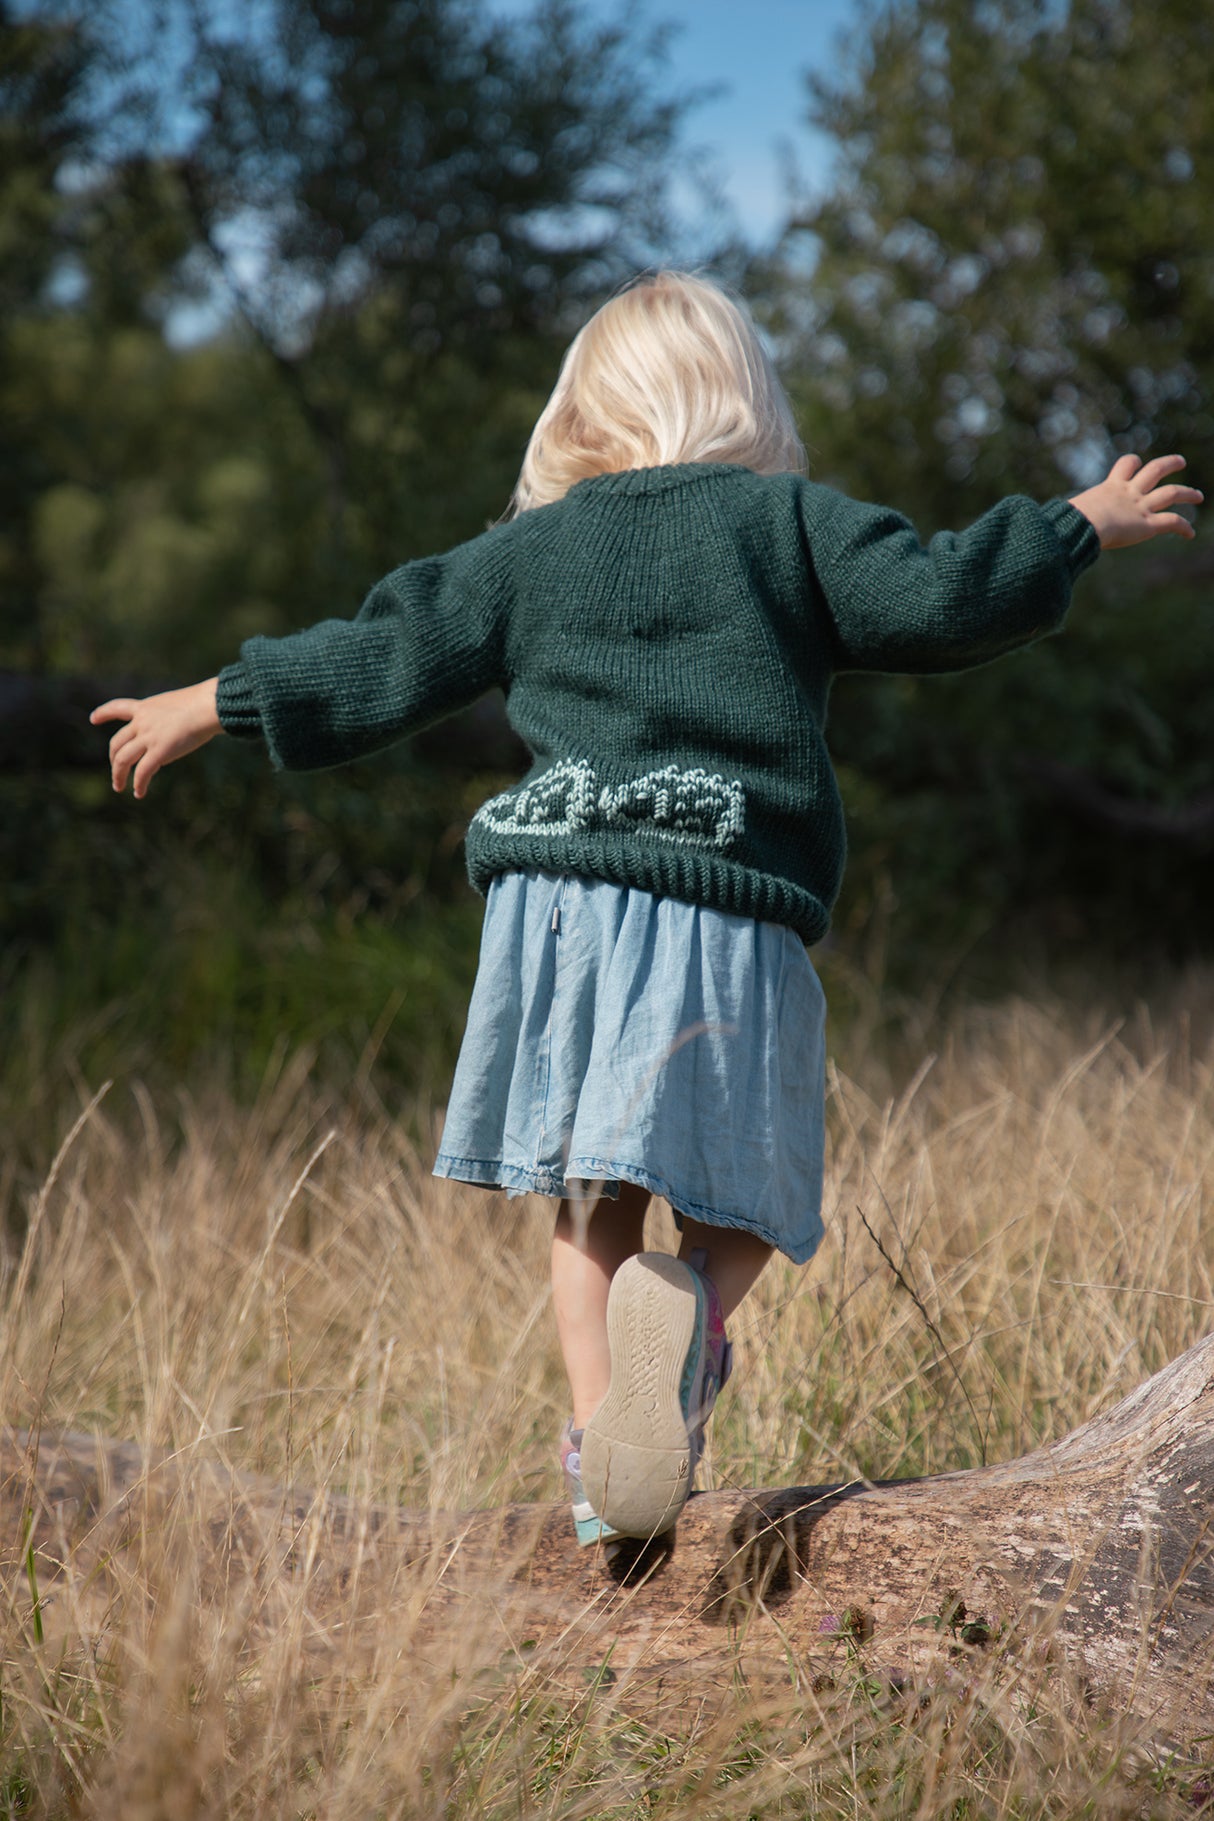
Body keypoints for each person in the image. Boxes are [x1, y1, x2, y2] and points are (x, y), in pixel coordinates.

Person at [91, 270, 1201, 1551]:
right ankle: (687, 1340)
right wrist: (1074, 523)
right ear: (744, 400)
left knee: (587, 1198)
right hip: (726, 899)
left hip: (557, 909)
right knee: (741, 1200)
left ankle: (598, 1455)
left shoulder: (531, 550)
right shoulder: (786, 525)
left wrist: (218, 700)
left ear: (583, 416)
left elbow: (387, 651)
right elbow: (941, 598)